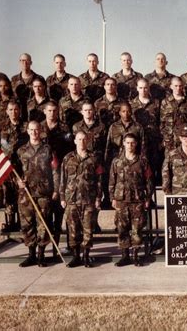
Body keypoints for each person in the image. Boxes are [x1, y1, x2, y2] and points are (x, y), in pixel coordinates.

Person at [16, 121, 59, 267]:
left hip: (43, 194)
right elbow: (14, 171)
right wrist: (18, 181)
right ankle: (31, 255)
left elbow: (55, 171)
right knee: (27, 225)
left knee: (43, 225)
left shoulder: (48, 149)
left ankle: (41, 255)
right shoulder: (21, 151)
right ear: (27, 131)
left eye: (37, 130)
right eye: (31, 130)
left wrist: (55, 189)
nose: (34, 132)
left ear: (41, 131)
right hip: (26, 194)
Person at [109, 133, 154, 267]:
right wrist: (112, 197)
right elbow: (112, 181)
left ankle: (135, 256)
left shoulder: (143, 161)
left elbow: (149, 181)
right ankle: (125, 256)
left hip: (137, 200)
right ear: (123, 143)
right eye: (127, 143)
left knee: (137, 229)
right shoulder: (116, 161)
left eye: (132, 143)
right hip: (121, 200)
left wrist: (147, 198)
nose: (130, 145)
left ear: (136, 144)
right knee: (122, 229)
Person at [60, 131, 103, 268]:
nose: (82, 142)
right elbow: (63, 179)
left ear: (88, 140)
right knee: (73, 229)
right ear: (75, 141)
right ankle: (75, 256)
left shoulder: (94, 158)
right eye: (79, 139)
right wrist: (62, 197)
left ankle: (86, 256)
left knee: (88, 229)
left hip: (88, 200)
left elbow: (99, 180)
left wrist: (98, 198)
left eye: (84, 139)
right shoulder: (68, 158)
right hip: (71, 200)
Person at [40, 101, 74, 258]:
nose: (52, 113)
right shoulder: (39, 129)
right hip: (42, 176)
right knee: (45, 214)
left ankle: (60, 248)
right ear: (44, 111)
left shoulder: (65, 128)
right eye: (49, 110)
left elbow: (69, 152)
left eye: (54, 110)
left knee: (60, 212)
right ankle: (44, 247)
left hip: (60, 174)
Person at [0, 100, 28, 227]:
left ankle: (21, 223)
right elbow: (0, 145)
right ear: (7, 111)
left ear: (19, 111)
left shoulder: (25, 126)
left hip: (22, 166)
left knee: (21, 194)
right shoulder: (2, 126)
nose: (13, 112)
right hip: (8, 166)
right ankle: (10, 222)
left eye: (15, 109)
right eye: (10, 110)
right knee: (9, 193)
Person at [130, 78, 162, 182]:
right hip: (137, 142)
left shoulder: (157, 103)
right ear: (137, 88)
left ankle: (150, 195)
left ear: (149, 88)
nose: (143, 90)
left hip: (153, 142)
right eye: (141, 88)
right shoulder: (131, 104)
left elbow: (161, 121)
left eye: (145, 88)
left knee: (151, 170)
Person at [160, 77, 187, 152]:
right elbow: (162, 122)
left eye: (180, 86)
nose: (178, 88)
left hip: (185, 140)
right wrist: (164, 138)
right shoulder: (165, 102)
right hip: (169, 141)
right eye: (176, 86)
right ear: (171, 86)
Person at [105, 101, 145, 166]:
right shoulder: (113, 127)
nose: (126, 114)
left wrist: (143, 161)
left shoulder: (138, 127)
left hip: (133, 162)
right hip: (117, 163)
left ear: (131, 112)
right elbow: (108, 146)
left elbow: (143, 146)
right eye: (123, 111)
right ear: (120, 113)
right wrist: (107, 162)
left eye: (128, 111)